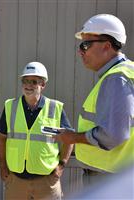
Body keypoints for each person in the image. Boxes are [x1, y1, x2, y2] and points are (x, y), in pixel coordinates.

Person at [54, 14, 134, 179]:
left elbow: (113, 135)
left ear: (106, 46)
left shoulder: (116, 78)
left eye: (85, 45)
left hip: (108, 180)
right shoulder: (124, 73)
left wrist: (72, 137)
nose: (80, 51)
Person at [0, 62, 74, 200]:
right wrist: (2, 165)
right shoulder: (10, 106)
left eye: (34, 82)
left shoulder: (55, 108)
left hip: (47, 181)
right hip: (16, 180)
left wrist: (61, 165)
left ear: (43, 85)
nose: (28, 85)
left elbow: (70, 140)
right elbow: (2, 138)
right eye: (25, 81)